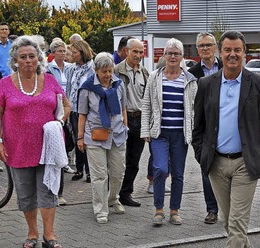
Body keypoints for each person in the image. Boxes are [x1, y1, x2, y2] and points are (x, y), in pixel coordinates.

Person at [192, 30, 260, 247]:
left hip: (247, 162)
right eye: (227, 50)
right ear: (220, 52)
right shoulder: (206, 84)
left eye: (237, 50)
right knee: (229, 222)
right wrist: (202, 154)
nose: (232, 54)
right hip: (216, 163)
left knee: (236, 222)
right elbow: (198, 127)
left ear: (244, 53)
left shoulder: (259, 83)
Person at [0, 36, 70, 248]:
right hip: (18, 148)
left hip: (48, 147)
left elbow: (66, 106)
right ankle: (32, 233)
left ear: (39, 59)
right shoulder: (5, 84)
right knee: (26, 194)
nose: (27, 60)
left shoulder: (50, 80)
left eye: (32, 56)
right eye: (23, 57)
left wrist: (59, 122)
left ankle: (49, 235)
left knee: (48, 191)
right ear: (15, 60)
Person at [141, 38, 197, 226]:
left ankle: (174, 210)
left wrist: (193, 132)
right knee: (160, 169)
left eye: (176, 53)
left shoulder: (189, 80)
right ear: (164, 55)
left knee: (178, 174)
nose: (173, 56)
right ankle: (158, 209)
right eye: (169, 53)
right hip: (159, 133)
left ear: (182, 57)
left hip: (180, 135)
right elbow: (146, 104)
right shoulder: (154, 77)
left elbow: (194, 109)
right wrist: (145, 130)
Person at [76, 52, 128, 224]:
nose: (107, 75)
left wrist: (125, 128)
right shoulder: (87, 88)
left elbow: (123, 109)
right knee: (99, 176)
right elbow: (82, 114)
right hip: (95, 135)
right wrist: (80, 137)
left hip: (118, 135)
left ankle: (113, 198)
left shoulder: (119, 85)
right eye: (104, 71)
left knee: (118, 172)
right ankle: (100, 210)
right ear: (96, 70)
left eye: (110, 71)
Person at [187, 31, 222, 224]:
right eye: (201, 46)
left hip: (226, 125)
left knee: (229, 167)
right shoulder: (191, 74)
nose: (205, 49)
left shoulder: (228, 67)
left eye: (208, 45)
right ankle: (212, 209)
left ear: (215, 47)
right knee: (206, 168)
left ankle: (228, 206)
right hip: (204, 128)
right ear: (197, 49)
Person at [113, 38, 149, 207]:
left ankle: (126, 193)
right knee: (118, 159)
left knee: (134, 160)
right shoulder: (116, 71)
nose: (138, 55)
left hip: (140, 119)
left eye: (141, 52)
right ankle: (113, 193)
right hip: (122, 120)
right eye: (135, 51)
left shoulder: (145, 73)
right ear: (127, 51)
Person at [45, 39, 73, 206]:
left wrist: (63, 117)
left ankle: (59, 192)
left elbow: (66, 99)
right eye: (60, 51)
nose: (63, 54)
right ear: (53, 53)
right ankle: (51, 192)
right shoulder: (48, 71)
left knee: (62, 149)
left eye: (65, 51)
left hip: (64, 112)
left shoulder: (70, 68)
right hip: (52, 116)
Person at [65, 40, 95, 183]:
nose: (72, 55)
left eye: (74, 52)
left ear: (82, 53)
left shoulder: (92, 68)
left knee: (88, 139)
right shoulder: (72, 69)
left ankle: (90, 171)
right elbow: (70, 89)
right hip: (74, 109)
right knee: (78, 139)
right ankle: (79, 169)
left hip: (88, 111)